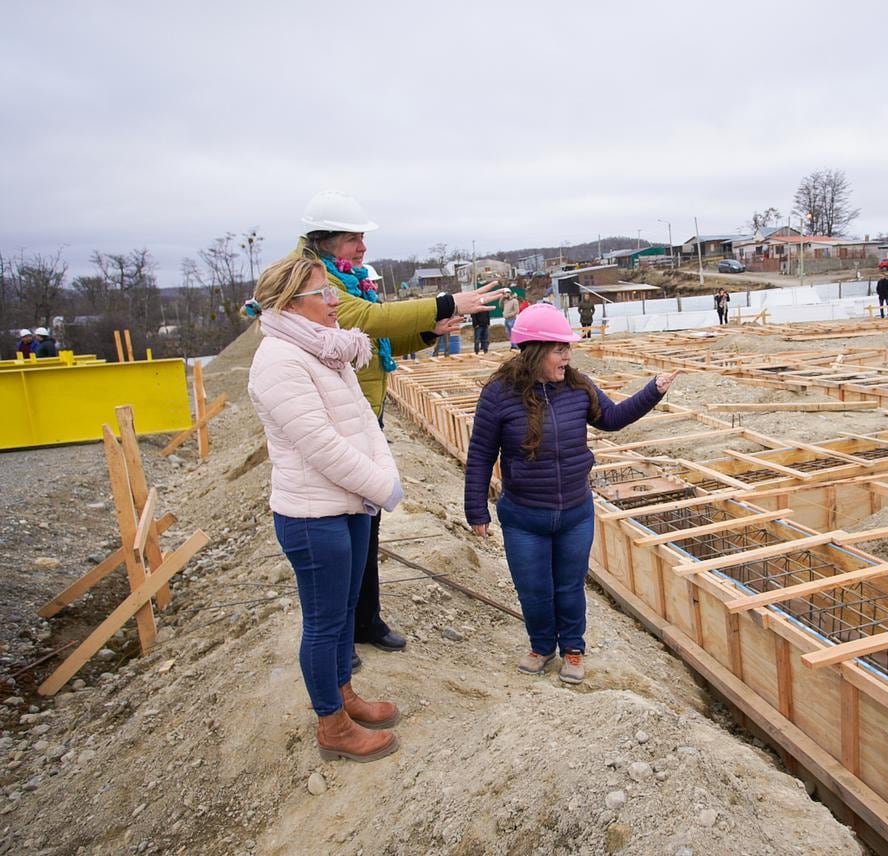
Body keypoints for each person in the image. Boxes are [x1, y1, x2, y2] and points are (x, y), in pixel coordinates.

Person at [291, 190, 499, 659]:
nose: (363, 247)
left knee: (367, 525)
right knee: (345, 528)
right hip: (341, 415)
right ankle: (342, 638)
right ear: (324, 240)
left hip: (362, 407)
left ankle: (366, 619)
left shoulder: (346, 276)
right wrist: (446, 302)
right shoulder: (314, 280)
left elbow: (371, 340)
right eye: (353, 238)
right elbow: (365, 320)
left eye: (363, 237)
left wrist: (428, 331)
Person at [464, 304, 679, 684]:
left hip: (575, 513)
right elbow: (481, 454)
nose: (567, 356)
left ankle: (573, 650)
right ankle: (541, 645)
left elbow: (612, 419)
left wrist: (652, 391)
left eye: (568, 348)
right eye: (559, 349)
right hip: (524, 516)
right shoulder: (499, 394)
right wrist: (476, 510)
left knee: (569, 585)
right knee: (533, 589)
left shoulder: (578, 387)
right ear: (533, 351)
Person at [245, 256, 402, 763]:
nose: (337, 302)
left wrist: (384, 475)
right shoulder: (278, 361)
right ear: (291, 304)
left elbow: (362, 421)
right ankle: (331, 724)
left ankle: (344, 695)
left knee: (343, 611)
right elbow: (322, 446)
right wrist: (384, 487)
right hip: (314, 517)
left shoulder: (327, 351)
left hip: (350, 505)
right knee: (324, 622)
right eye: (324, 294)